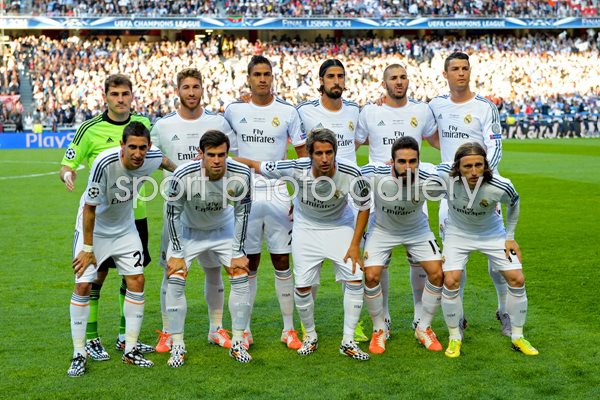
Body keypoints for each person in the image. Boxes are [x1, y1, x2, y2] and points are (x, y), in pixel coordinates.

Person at [234, 128, 372, 361]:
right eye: (319, 153)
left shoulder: (351, 172)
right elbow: (256, 165)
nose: (325, 158)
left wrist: (355, 244)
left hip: (340, 226)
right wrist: (223, 157)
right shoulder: (295, 168)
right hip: (306, 229)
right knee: (302, 287)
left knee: (355, 278)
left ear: (336, 153)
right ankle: (310, 336)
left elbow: (364, 206)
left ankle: (348, 340)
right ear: (309, 154)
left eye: (329, 152)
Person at [67, 122, 175, 377]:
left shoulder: (152, 156)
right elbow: (89, 209)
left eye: (143, 148)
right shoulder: (104, 163)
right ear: (122, 146)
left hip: (125, 229)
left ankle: (130, 349)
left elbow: (169, 164)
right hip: (94, 229)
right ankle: (79, 353)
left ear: (149, 147)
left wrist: (188, 170)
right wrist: (87, 248)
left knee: (137, 280)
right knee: (83, 284)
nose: (138, 154)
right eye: (132, 147)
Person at [60, 74, 155, 361]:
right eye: (115, 94)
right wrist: (68, 174)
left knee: (133, 277)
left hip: (134, 214)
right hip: (101, 217)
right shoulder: (90, 129)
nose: (121, 99)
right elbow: (67, 162)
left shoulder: (144, 125)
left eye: (125, 94)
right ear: (106, 97)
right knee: (96, 276)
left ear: (132, 96)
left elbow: (156, 156)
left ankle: (126, 338)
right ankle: (90, 337)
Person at [151, 68, 237, 353]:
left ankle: (216, 329)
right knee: (171, 272)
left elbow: (230, 158)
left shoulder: (217, 121)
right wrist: (179, 171)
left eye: (196, 87)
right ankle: (167, 332)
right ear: (178, 90)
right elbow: (151, 154)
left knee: (214, 272)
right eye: (186, 87)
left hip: (214, 211)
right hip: (178, 214)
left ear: (203, 89)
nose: (191, 92)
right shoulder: (163, 126)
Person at [224, 55, 306, 350]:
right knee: (248, 263)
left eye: (267, 74)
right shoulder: (233, 111)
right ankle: (243, 330)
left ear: (273, 78)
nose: (262, 79)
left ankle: (288, 329)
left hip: (278, 192)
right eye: (257, 74)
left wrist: (299, 194)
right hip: (245, 193)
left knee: (283, 261)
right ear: (248, 78)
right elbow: (221, 151)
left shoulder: (287, 111)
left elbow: (302, 156)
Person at [428, 52, 509, 336]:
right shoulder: (435, 105)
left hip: (484, 188)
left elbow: (496, 146)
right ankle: (458, 318)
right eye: (455, 69)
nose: (461, 73)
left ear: (470, 72)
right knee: (453, 261)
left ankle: (504, 311)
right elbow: (424, 130)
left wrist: (479, 177)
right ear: (445, 74)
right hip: (450, 193)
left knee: (499, 260)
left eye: (465, 68)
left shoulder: (486, 107)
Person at [355, 63, 438, 337]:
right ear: (384, 83)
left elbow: (438, 140)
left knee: (418, 260)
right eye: (393, 78)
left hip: (413, 190)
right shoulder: (370, 111)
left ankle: (419, 314)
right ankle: (385, 317)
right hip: (381, 193)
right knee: (380, 262)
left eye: (403, 77)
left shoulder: (422, 110)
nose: (399, 82)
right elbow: (352, 143)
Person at [435, 142, 538, 358]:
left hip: (492, 234)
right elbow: (417, 170)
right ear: (457, 167)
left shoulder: (500, 185)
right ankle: (455, 337)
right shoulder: (444, 174)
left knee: (517, 278)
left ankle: (518, 336)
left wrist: (510, 237)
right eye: (467, 167)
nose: (474, 172)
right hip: (457, 234)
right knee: (451, 280)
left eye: (478, 165)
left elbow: (515, 203)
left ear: (486, 165)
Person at [165, 130, 253, 365]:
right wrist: (176, 253)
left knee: (241, 274)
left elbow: (243, 212)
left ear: (227, 154)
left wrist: (238, 252)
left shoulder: (242, 173)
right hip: (189, 232)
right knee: (175, 277)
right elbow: (172, 214)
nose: (217, 160)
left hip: (222, 230)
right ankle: (177, 344)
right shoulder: (182, 174)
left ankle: (237, 342)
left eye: (222, 155)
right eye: (211, 155)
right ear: (200, 154)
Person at [296, 59, 367, 342]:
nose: (336, 81)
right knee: (308, 267)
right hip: (316, 191)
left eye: (340, 76)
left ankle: (356, 325)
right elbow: (301, 149)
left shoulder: (354, 110)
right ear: (321, 80)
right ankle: (305, 325)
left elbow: (357, 141)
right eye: (331, 77)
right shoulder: (304, 111)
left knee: (352, 261)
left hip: (349, 191)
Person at [360, 137, 444, 354]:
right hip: (382, 230)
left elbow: (451, 174)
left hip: (417, 229)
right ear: (392, 161)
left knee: (437, 274)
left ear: (419, 161)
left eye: (412, 161)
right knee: (370, 276)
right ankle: (379, 329)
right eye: (402, 162)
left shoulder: (428, 174)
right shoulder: (376, 173)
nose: (408, 167)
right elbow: (349, 174)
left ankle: (424, 327)